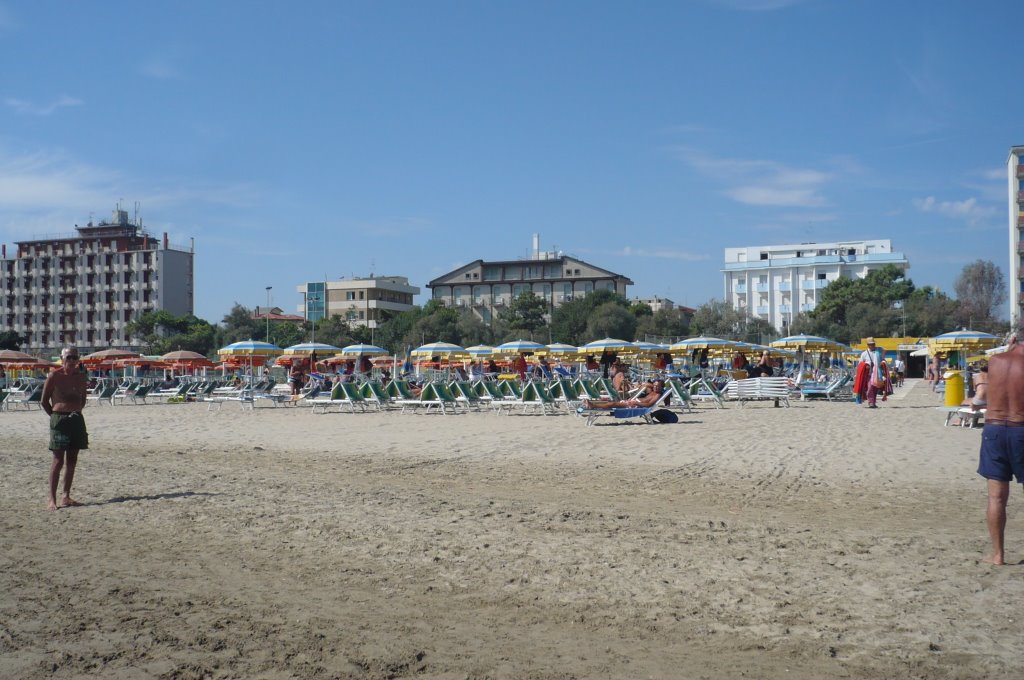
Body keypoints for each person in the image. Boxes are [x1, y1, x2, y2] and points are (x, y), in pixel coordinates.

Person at [976, 331, 1024, 565]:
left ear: (1013, 341)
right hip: (1021, 428)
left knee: (995, 498)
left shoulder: (995, 362)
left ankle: (998, 555)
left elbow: (984, 394)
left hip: (994, 430)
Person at [41, 347, 89, 510]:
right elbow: (44, 401)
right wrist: (56, 417)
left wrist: (75, 410)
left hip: (76, 418)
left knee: (72, 459)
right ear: (62, 358)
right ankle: (52, 499)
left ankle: (66, 496)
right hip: (59, 419)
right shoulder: (55, 375)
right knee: (58, 460)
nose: (72, 361)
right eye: (69, 357)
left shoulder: (81, 377)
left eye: (75, 358)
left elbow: (83, 398)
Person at [854, 338, 890, 408]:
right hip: (868, 373)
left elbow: (885, 353)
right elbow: (860, 364)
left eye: (873, 344)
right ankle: (871, 402)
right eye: (871, 344)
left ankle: (873, 402)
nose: (872, 345)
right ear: (868, 345)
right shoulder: (864, 354)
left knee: (875, 388)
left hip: (877, 373)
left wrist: (882, 363)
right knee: (870, 387)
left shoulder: (878, 352)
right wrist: (866, 365)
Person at [585, 379, 666, 409]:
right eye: (654, 386)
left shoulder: (657, 395)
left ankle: (593, 406)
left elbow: (648, 405)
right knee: (612, 401)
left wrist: (636, 402)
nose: (655, 387)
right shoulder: (653, 391)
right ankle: (592, 403)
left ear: (662, 387)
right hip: (634, 402)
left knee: (613, 404)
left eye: (658, 387)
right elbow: (646, 385)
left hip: (635, 405)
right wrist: (654, 385)